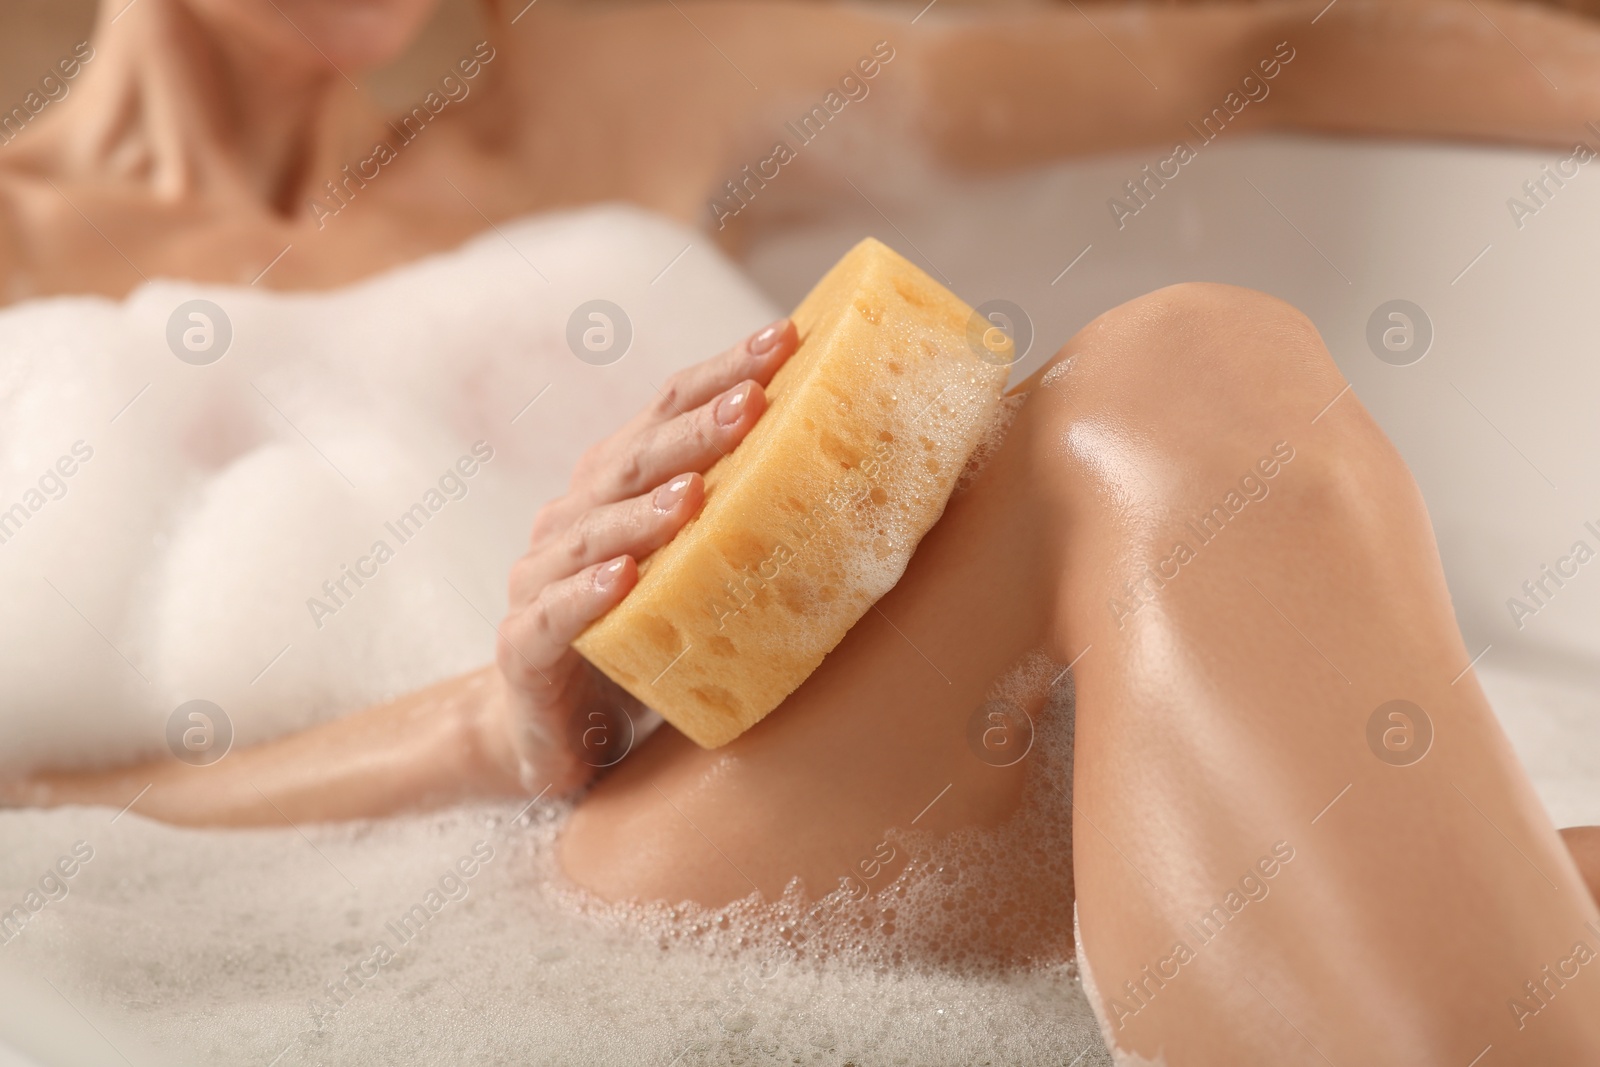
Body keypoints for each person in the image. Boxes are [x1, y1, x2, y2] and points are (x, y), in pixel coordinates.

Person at [3, 0, 1600, 1061]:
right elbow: (30, 807)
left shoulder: (607, 95)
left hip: (902, 769)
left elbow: (1282, 44)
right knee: (1174, 386)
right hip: (509, 869)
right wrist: (486, 731)